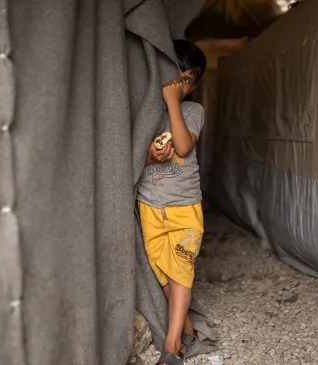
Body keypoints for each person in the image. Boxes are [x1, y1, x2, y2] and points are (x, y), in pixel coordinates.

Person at [137, 39, 207, 365]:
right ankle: (188, 331)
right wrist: (150, 156)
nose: (179, 83)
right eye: (175, 73)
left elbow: (182, 146)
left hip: (183, 208)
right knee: (165, 274)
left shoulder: (193, 111)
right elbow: (135, 160)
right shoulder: (146, 110)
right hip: (150, 207)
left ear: (192, 88)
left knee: (180, 271)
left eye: (187, 79)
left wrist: (174, 102)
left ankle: (171, 346)